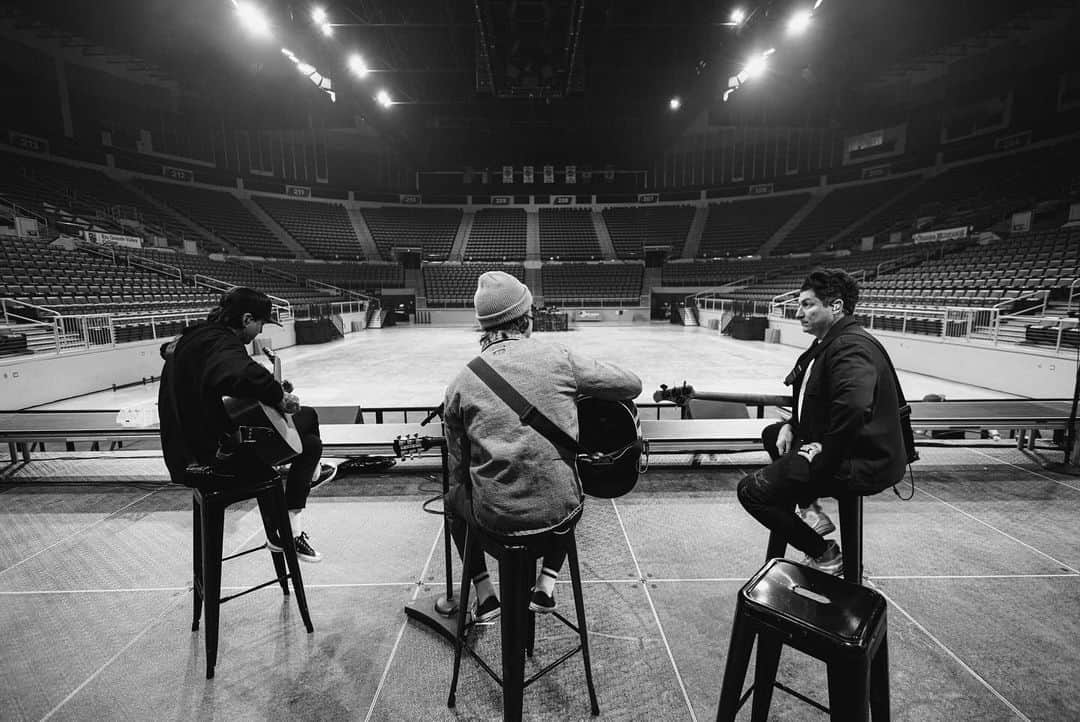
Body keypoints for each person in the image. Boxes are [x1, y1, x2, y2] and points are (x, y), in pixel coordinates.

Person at [443, 271, 641, 620]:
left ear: (484, 326)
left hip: (494, 522)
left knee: (452, 502)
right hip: (557, 515)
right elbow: (631, 384)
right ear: (526, 319)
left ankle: (485, 590)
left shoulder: (461, 381)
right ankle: (547, 582)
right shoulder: (559, 358)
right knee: (568, 486)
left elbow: (458, 467)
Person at [739, 268, 907, 575]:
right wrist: (795, 426)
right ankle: (809, 507)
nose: (799, 312)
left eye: (807, 305)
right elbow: (822, 400)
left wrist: (820, 453)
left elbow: (853, 407)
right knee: (772, 433)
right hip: (847, 448)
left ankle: (825, 553)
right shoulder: (831, 340)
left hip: (859, 461)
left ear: (837, 307)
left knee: (751, 492)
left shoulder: (849, 346)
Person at [158, 287, 331, 563]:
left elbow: (220, 382)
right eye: (260, 323)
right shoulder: (220, 342)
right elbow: (241, 373)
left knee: (309, 441)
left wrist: (268, 390)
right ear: (246, 319)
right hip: (212, 459)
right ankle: (290, 515)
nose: (260, 330)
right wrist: (278, 395)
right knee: (309, 425)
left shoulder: (196, 337)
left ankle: (288, 523)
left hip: (186, 453)